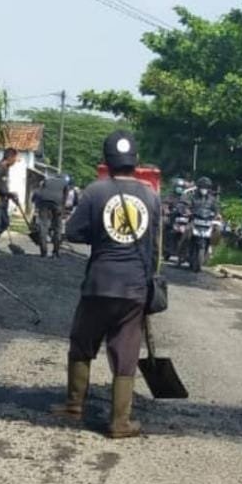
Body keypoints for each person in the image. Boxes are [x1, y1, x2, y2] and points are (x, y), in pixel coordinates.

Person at [54, 130, 160, 439]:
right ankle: (119, 422)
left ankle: (74, 406)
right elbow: (155, 248)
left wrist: (99, 237)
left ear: (106, 160)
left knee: (82, 342)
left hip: (99, 283)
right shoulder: (151, 197)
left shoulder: (95, 191)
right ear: (135, 161)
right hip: (134, 287)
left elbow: (73, 232)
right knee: (125, 353)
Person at [32, 173, 70, 258]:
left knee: (43, 226)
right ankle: (55, 251)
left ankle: (43, 251)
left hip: (44, 202)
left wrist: (38, 206)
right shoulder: (65, 183)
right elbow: (65, 196)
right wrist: (62, 209)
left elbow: (40, 192)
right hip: (57, 203)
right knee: (58, 227)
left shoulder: (47, 180)